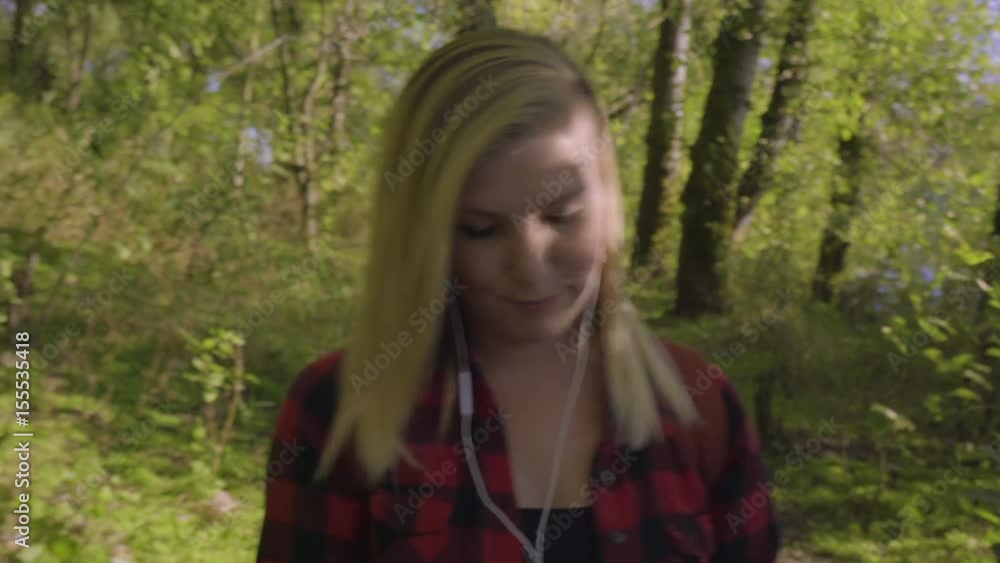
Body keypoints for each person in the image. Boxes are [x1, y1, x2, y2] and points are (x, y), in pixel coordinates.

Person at [256, 27, 780, 563]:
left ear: (609, 205)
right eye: (480, 229)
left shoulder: (697, 403)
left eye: (562, 216)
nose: (529, 267)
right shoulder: (342, 408)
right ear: (421, 235)